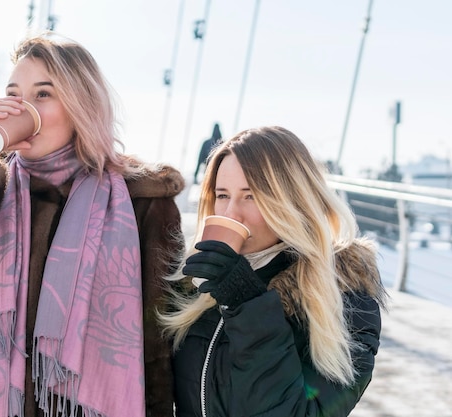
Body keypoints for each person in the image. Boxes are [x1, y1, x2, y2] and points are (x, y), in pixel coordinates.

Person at [0, 32, 185, 417]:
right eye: (14, 94)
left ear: (81, 105)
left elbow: (159, 348)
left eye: (43, 94)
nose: (22, 107)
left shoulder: (141, 203)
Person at [158, 126, 387, 416]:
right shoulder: (195, 284)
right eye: (222, 195)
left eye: (251, 196)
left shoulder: (346, 300)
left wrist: (246, 302)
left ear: (291, 200)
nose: (231, 213)